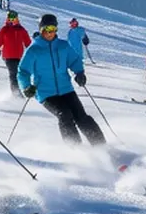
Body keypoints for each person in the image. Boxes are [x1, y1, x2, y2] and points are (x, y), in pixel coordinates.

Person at [18, 13, 104, 146]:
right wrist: (26, 87)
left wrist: (79, 72)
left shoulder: (63, 46)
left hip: (66, 89)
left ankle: (101, 145)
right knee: (64, 114)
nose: (50, 33)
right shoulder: (34, 50)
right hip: (46, 93)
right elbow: (23, 71)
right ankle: (75, 148)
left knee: (81, 116)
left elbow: (74, 60)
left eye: (53, 29)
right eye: (46, 29)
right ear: (40, 30)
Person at [0, 10, 31, 94]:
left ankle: (19, 90)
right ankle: (16, 93)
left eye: (14, 18)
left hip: (19, 56)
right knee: (13, 74)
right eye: (10, 18)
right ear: (7, 19)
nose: (12, 20)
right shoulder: (5, 29)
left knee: (19, 73)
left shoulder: (21, 29)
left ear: (17, 19)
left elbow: (28, 42)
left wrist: (32, 51)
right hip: (8, 56)